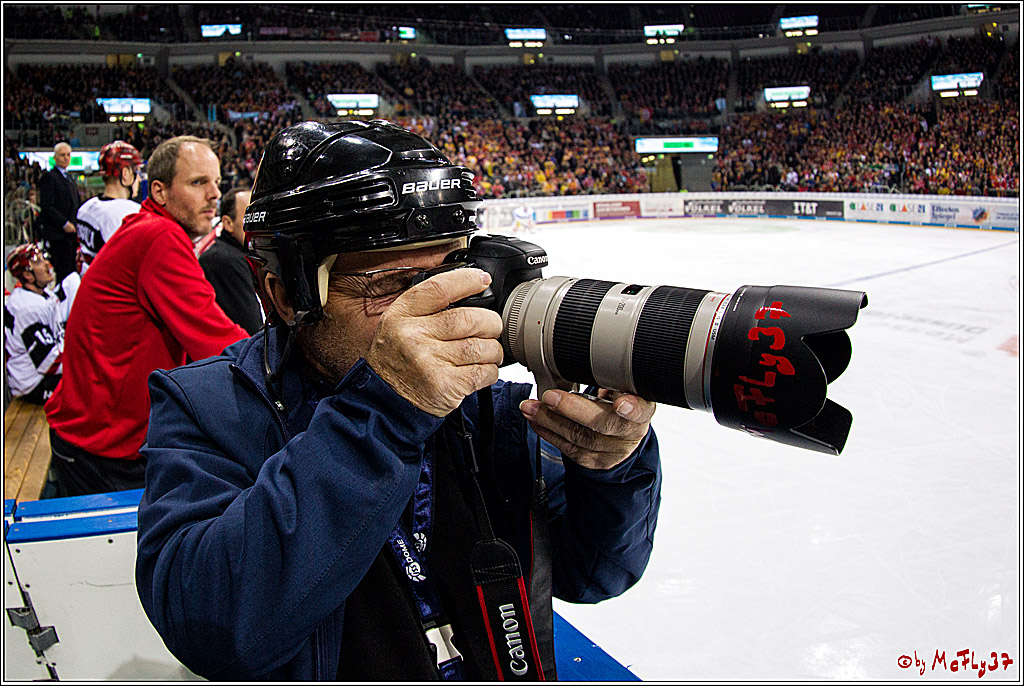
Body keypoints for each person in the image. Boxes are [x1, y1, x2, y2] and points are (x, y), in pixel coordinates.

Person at [135, 121, 662, 681]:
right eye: (392, 285)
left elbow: (597, 575)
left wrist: (613, 472)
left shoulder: (490, 410)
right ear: (287, 295)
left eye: (450, 275)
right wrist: (384, 411)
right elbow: (213, 628)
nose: (430, 312)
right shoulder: (206, 407)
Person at [44, 135, 248, 498]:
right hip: (102, 447)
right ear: (159, 190)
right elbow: (219, 342)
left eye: (216, 182)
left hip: (94, 429)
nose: (215, 194)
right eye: (198, 182)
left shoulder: (146, 227)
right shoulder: (160, 237)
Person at [198, 186, 263, 335]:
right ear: (228, 223)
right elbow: (254, 331)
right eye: (250, 216)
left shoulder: (237, 254)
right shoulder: (225, 260)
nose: (258, 223)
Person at [4, 244, 64, 405]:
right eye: (38, 262)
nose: (46, 264)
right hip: (33, 385)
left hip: (40, 377)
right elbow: (50, 364)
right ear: (28, 276)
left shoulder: (43, 296)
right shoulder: (27, 308)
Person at [75, 140, 143, 275]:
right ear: (125, 173)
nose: (139, 179)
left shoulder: (85, 208)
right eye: (136, 171)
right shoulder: (129, 213)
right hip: (115, 291)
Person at [37, 142, 81, 282]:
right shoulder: (50, 177)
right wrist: (64, 223)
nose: (66, 158)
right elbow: (47, 206)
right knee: (64, 272)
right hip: (59, 233)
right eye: (62, 155)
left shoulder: (69, 178)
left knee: (72, 270)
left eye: (68, 155)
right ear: (55, 157)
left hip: (72, 233)